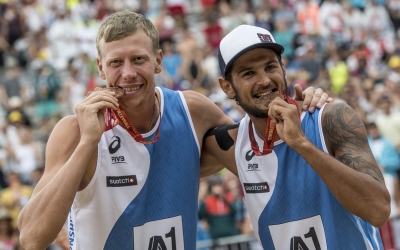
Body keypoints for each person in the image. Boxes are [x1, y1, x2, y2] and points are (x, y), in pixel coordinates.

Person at [16, 11, 331, 250]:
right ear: (100, 67)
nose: (127, 73)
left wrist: (307, 108)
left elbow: (264, 160)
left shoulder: (193, 112)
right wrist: (87, 143)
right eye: (115, 63)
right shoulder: (74, 130)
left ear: (158, 61)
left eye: (138, 59)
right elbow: (31, 237)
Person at [203, 24, 390, 248]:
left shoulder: (330, 118)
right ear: (227, 87)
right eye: (248, 73)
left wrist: (302, 144)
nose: (264, 80)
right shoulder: (229, 144)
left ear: (283, 68)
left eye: (270, 66)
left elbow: (379, 211)